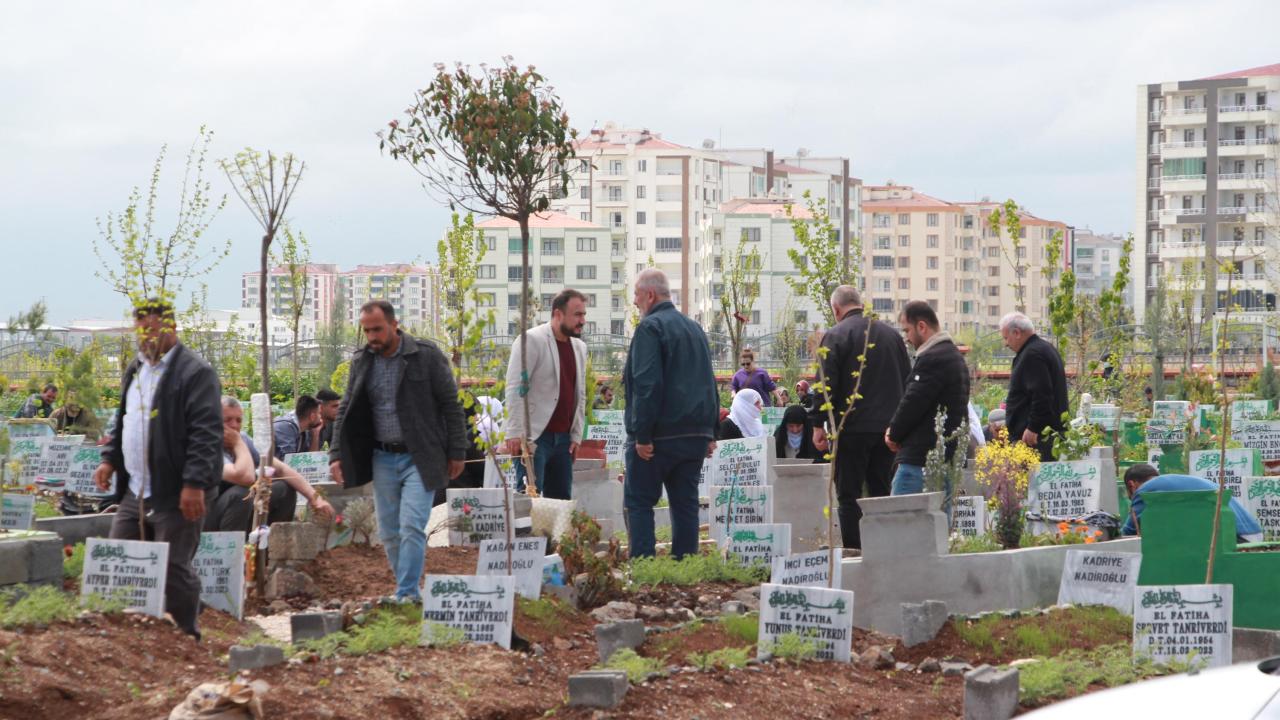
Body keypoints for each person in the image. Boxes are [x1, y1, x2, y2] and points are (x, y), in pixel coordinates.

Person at [92, 299, 221, 639]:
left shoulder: (195, 373)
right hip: (136, 488)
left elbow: (205, 434)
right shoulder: (136, 368)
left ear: (171, 328)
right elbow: (124, 420)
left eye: (152, 331)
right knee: (118, 556)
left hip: (176, 491)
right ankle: (121, 637)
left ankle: (187, 635)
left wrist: (193, 484)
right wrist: (109, 459)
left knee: (173, 568)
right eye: (140, 332)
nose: (145, 339)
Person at [329, 300, 467, 603]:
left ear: (394, 324)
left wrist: (457, 451)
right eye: (367, 331)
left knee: (411, 525)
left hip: (420, 455)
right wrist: (336, 452)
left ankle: (406, 593)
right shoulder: (362, 361)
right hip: (381, 457)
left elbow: (451, 406)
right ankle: (409, 591)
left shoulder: (425, 356)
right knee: (389, 532)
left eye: (377, 329)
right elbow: (345, 410)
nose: (372, 337)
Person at [623, 269, 719, 559]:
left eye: (637, 296)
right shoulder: (694, 329)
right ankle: (685, 570)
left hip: (658, 437)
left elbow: (647, 384)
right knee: (685, 504)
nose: (636, 302)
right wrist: (711, 432)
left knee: (639, 502)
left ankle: (643, 570)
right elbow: (709, 380)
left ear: (650, 295)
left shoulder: (650, 328)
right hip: (694, 437)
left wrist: (642, 434)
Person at [809, 285, 911, 550]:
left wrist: (818, 425)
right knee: (881, 491)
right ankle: (882, 550)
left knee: (849, 495)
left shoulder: (835, 335)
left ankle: (855, 551)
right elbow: (906, 380)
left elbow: (824, 385)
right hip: (888, 429)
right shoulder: (892, 336)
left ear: (836, 309)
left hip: (850, 428)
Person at [504, 289, 588, 500]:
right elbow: (515, 387)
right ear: (558, 314)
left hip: (564, 441)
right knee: (529, 502)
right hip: (534, 438)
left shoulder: (579, 347)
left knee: (561, 505)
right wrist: (514, 432)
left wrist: (577, 435)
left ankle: (556, 536)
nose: (583, 321)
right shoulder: (531, 340)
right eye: (577, 315)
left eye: (584, 314)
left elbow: (580, 394)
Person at [206, 396, 333, 536]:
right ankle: (232, 552)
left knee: (285, 487)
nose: (234, 425)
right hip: (207, 519)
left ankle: (268, 546)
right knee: (241, 494)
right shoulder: (208, 445)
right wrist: (238, 443)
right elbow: (244, 477)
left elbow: (283, 469)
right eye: (227, 420)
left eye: (238, 420)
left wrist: (315, 498)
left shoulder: (242, 439)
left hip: (237, 513)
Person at [885, 301, 970, 495]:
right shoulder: (955, 357)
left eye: (907, 331)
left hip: (920, 460)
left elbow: (913, 402)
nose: (906, 338)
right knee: (938, 522)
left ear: (921, 326)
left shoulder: (933, 359)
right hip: (945, 459)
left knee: (903, 521)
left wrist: (893, 433)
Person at [1120, 464, 1263, 542]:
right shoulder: (1172, 483)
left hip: (1236, 538)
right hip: (1252, 532)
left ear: (1132, 485)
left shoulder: (1145, 490)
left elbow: (1127, 533)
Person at [1000, 312, 1069, 462]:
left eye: (1006, 338)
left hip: (1037, 439)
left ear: (1017, 333)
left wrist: (1033, 427)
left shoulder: (1032, 354)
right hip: (1045, 435)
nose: (1006, 343)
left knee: (1034, 483)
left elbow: (1042, 394)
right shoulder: (1043, 348)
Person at [273, 395, 322, 461]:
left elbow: (310, 461)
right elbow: (289, 462)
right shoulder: (285, 428)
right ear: (312, 416)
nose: (321, 418)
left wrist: (315, 434)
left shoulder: (303, 430)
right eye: (319, 414)